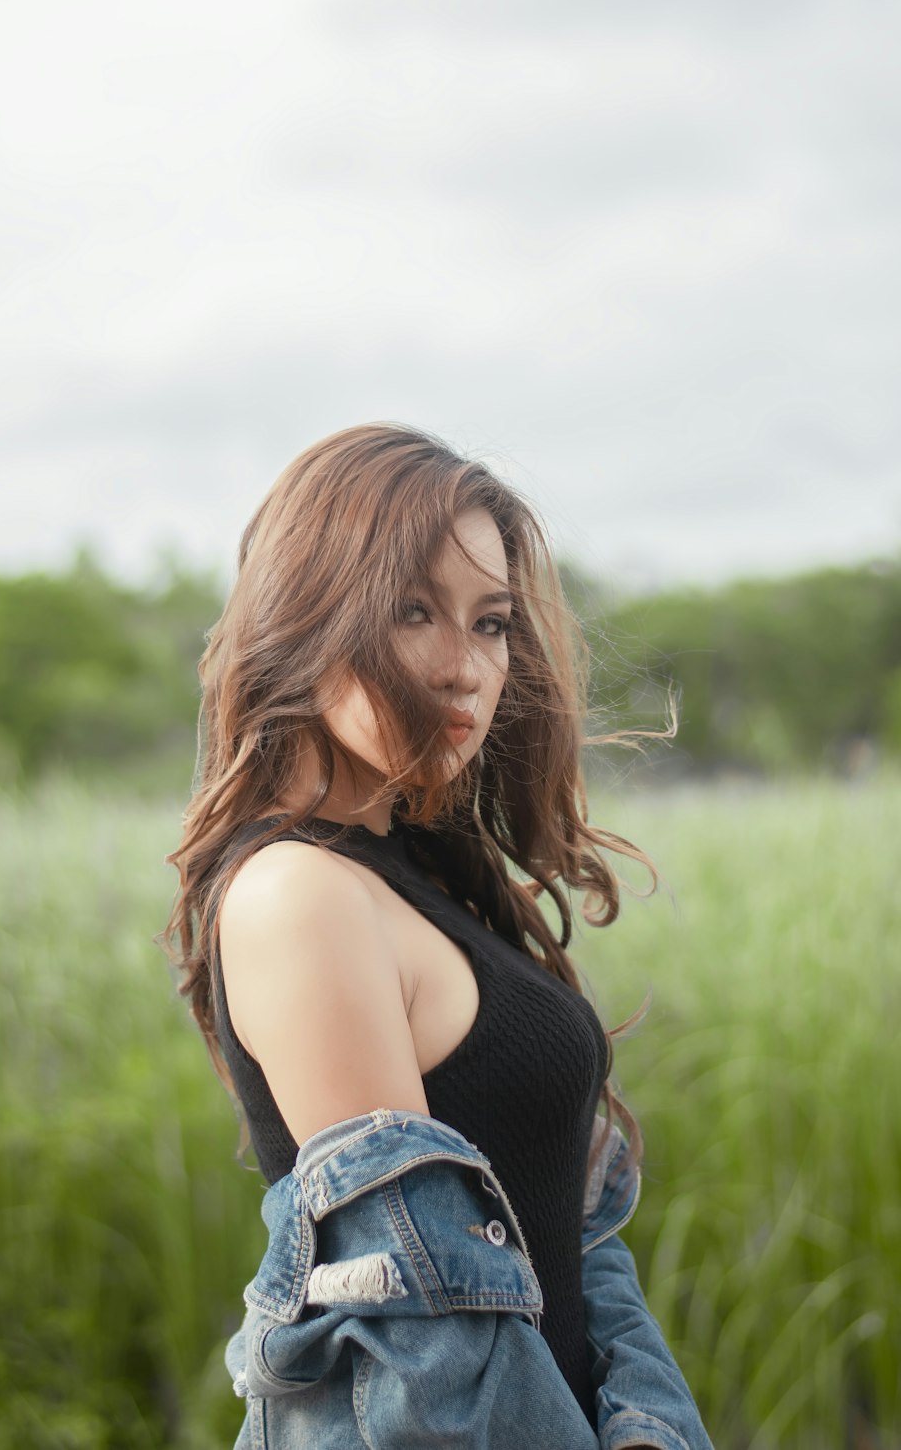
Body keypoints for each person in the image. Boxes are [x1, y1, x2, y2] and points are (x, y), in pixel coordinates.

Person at [161, 423, 713, 1448]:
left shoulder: (409, 869)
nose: (465, 668)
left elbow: (571, 1240)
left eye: (491, 621)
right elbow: (432, 1354)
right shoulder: (300, 894)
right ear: (305, 616)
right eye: (413, 611)